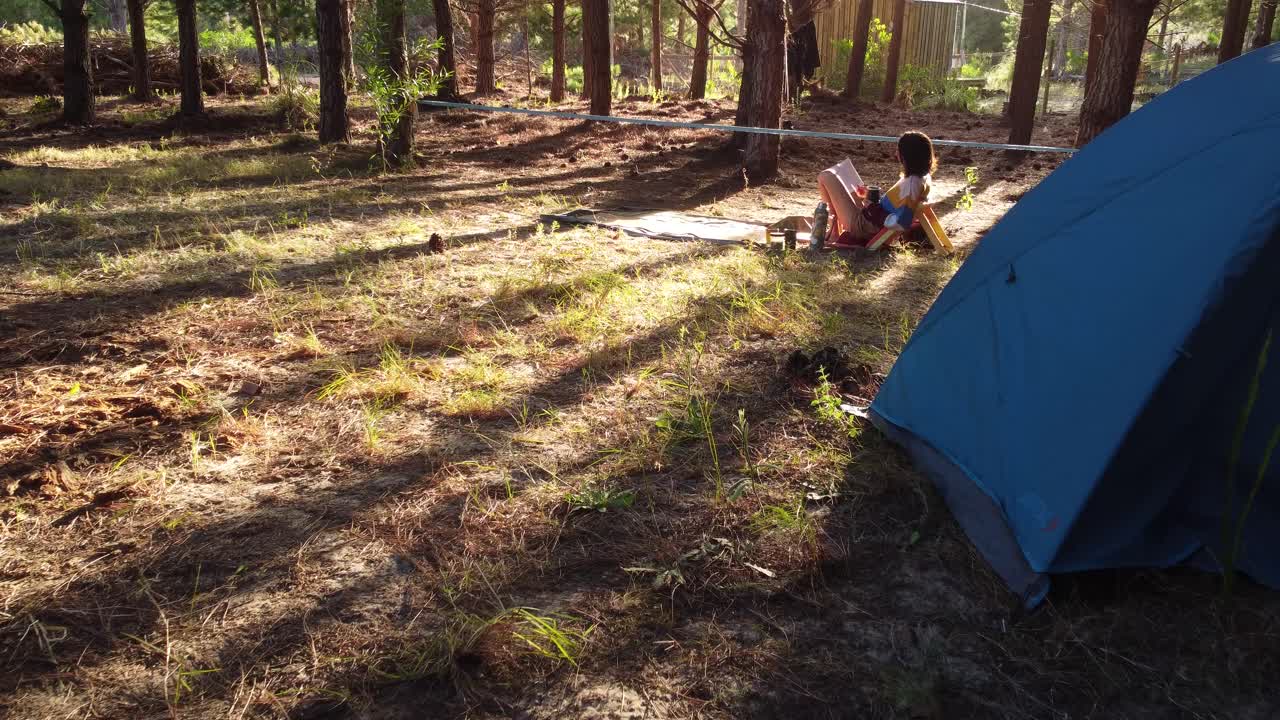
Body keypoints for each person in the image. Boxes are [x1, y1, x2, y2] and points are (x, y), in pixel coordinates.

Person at [817, 131, 937, 248]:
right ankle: (834, 228)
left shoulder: (911, 185)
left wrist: (873, 208)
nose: (896, 153)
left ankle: (833, 231)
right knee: (844, 170)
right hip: (870, 219)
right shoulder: (921, 177)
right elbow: (895, 207)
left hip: (864, 226)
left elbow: (900, 222)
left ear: (906, 155)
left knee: (826, 176)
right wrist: (873, 199)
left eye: (898, 150)